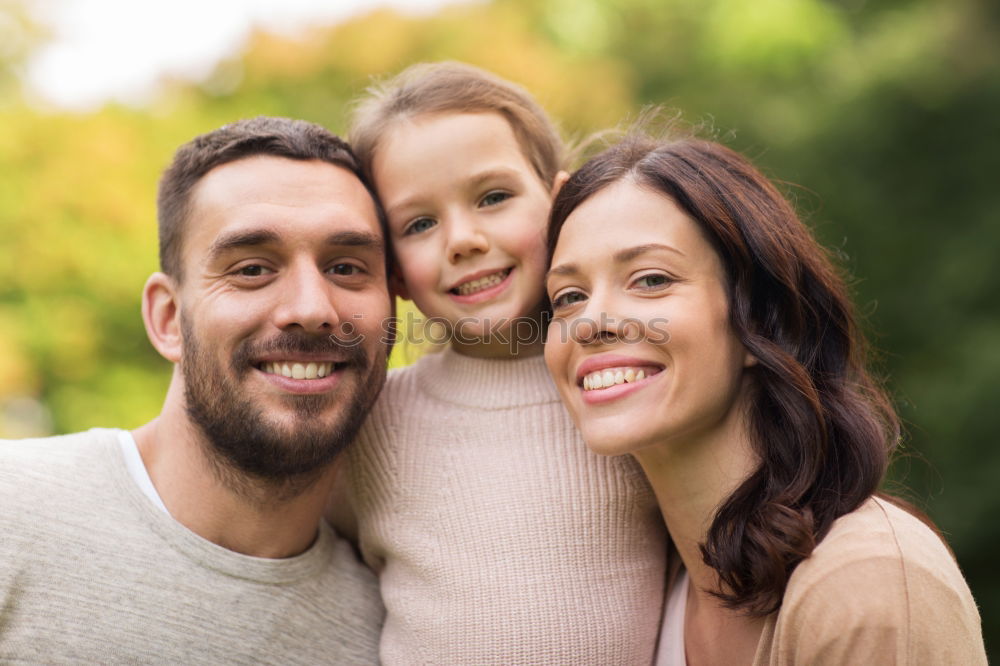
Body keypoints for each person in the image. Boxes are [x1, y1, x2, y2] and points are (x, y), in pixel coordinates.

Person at [543, 129, 988, 664]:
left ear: (760, 320)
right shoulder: (652, 597)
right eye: (568, 297)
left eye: (651, 279)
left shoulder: (866, 585)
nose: (590, 323)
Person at [0, 117, 390, 663]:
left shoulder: (399, 629)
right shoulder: (11, 511)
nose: (311, 309)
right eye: (253, 268)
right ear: (167, 318)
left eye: (347, 268)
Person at [332, 62, 667, 663]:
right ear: (393, 272)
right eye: (420, 223)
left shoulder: (628, 383)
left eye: (493, 197)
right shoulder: (369, 422)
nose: (461, 239)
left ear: (562, 205)